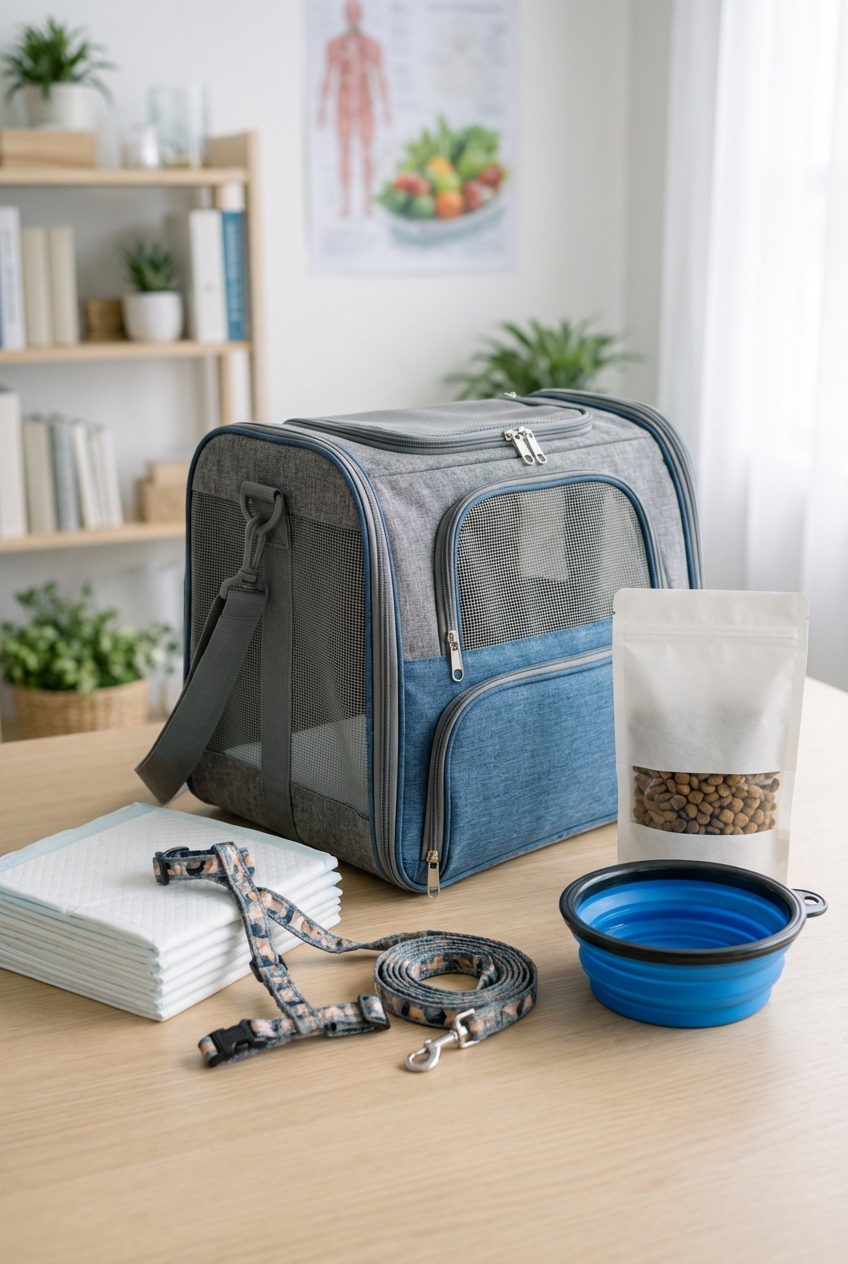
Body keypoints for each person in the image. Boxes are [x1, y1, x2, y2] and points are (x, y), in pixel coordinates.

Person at [318, 1, 391, 217]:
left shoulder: (371, 45)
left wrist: (386, 108)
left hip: (365, 104)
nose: (353, 17)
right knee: (345, 153)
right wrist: (321, 107)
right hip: (343, 103)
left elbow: (380, 78)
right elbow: (328, 77)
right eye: (349, 13)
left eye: (356, 13)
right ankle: (346, 205)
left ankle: (367, 204)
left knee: (367, 154)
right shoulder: (334, 45)